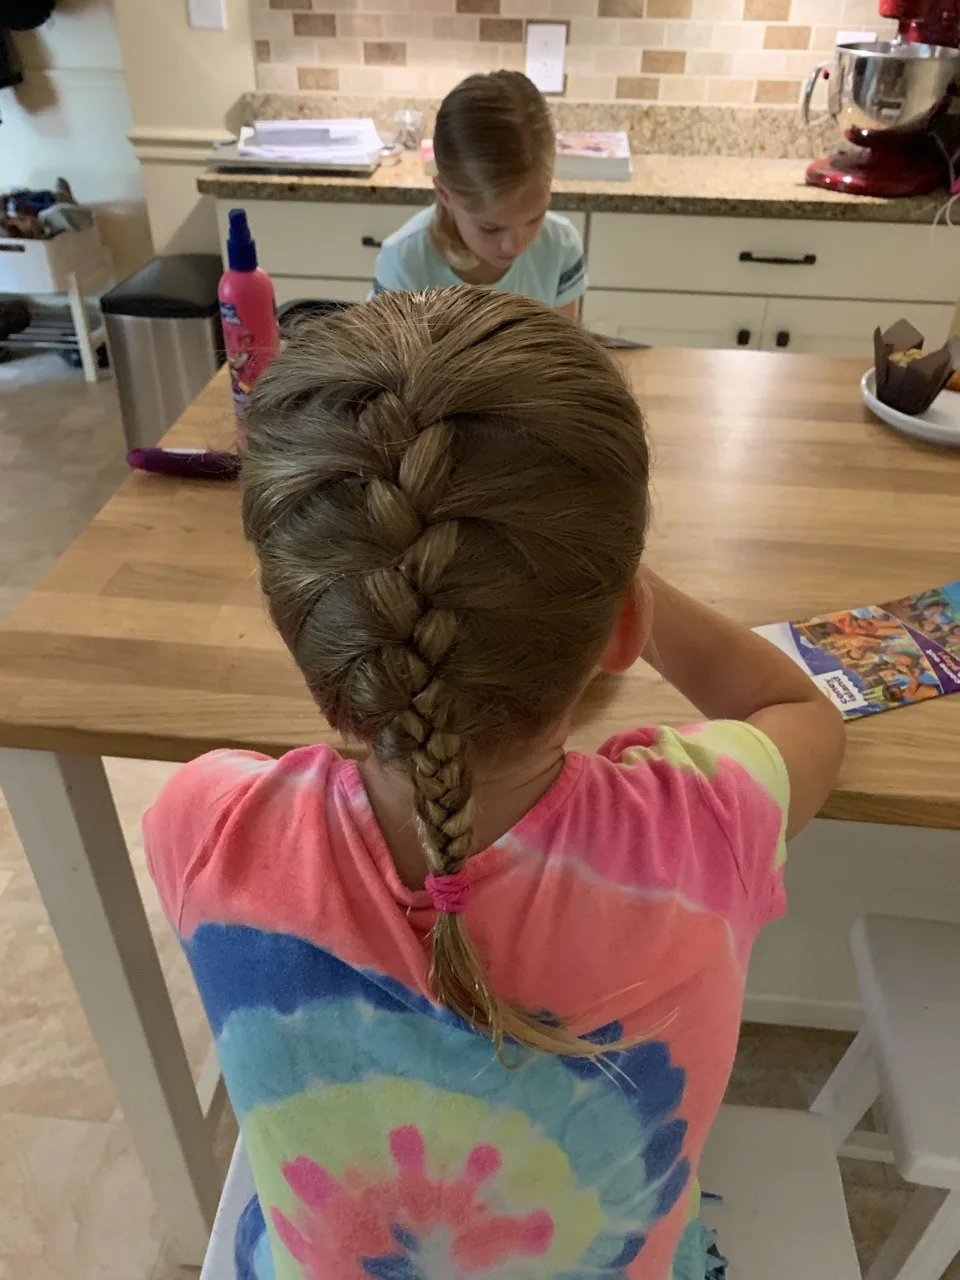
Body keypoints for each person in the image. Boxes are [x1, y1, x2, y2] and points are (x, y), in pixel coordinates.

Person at [145, 289, 845, 1280]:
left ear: (310, 644)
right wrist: (616, 579)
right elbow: (802, 713)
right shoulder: (705, 821)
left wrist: (593, 585)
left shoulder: (205, 823)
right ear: (623, 632)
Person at [372, 71, 586, 316]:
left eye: (534, 218)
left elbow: (564, 350)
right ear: (444, 193)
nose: (513, 245)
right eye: (490, 228)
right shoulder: (404, 263)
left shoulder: (560, 248)